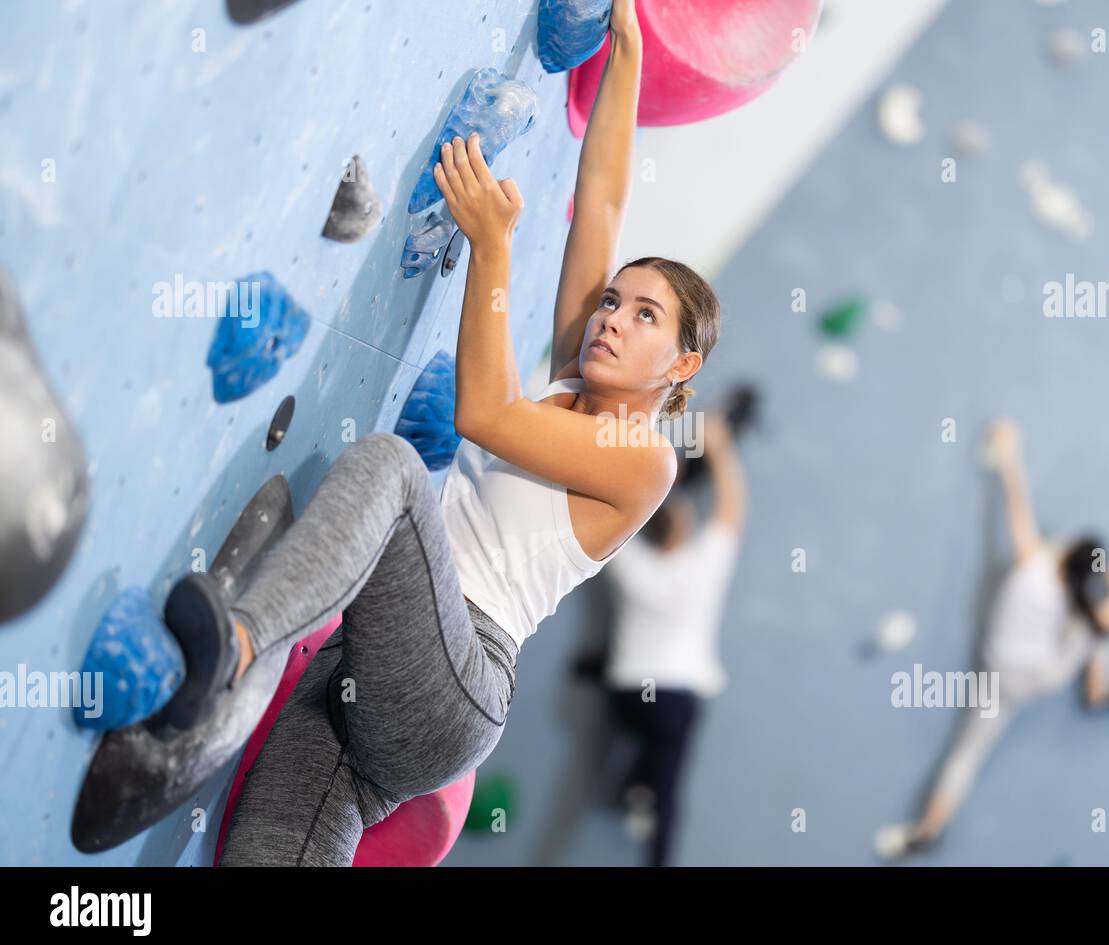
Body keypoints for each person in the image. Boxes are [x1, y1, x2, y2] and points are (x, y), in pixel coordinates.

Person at [140, 0, 720, 865]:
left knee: (392, 470)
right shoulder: (574, 374)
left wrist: (492, 249)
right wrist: (629, 41)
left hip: (455, 682)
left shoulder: (643, 464)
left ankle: (238, 643)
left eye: (644, 316)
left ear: (680, 367)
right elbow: (600, 197)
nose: (611, 317)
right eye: (611, 300)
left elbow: (483, 414)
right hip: (367, 672)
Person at [874, 419, 1109, 860]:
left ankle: (928, 830)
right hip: (1040, 676)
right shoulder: (1078, 612)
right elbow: (1105, 615)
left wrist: (1009, 452)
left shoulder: (1032, 562)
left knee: (967, 754)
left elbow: (1016, 500)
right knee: (1102, 629)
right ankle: (1098, 691)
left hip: (997, 671)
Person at [603, 411, 746, 866]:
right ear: (682, 527)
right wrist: (719, 448)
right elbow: (731, 513)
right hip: (673, 703)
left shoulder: (629, 563)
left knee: (654, 765)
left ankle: (636, 789)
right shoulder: (701, 568)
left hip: (626, 697)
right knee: (669, 791)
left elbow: (616, 511)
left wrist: (658, 477)